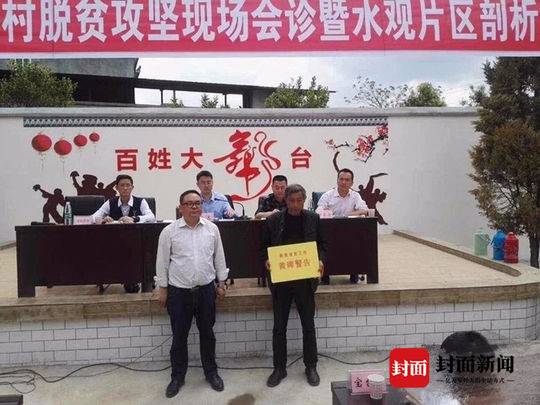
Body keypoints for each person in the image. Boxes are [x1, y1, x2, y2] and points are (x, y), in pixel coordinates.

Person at [155, 189, 228, 398]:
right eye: (189, 203)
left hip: (206, 290)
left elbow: (219, 257)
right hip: (179, 292)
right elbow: (162, 262)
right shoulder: (169, 231)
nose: (194, 207)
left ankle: (211, 373)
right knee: (179, 336)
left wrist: (221, 282)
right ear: (181, 208)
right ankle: (177, 377)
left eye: (197, 203)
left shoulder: (212, 229)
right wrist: (162, 289)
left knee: (207, 334)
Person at [261, 184, 326, 388]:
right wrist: (267, 260)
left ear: (304, 200)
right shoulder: (273, 220)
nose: (296, 205)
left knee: (308, 325)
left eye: (299, 201)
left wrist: (320, 260)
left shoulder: (313, 218)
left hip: (305, 280)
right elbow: (263, 247)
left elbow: (322, 245)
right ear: (285, 201)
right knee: (279, 327)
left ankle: (311, 366)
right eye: (292, 201)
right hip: (281, 281)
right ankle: (279, 368)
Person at [316, 168, 368, 284]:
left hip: (350, 232)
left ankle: (354, 271)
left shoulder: (355, 196)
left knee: (357, 242)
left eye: (347, 180)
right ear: (337, 180)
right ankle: (326, 274)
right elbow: (318, 211)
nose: (344, 182)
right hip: (330, 232)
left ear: (352, 183)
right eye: (341, 179)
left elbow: (364, 210)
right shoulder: (328, 195)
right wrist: (329, 214)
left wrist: (347, 215)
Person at [91, 174, 155, 224]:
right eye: (122, 185)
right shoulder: (110, 202)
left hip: (136, 234)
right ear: (117, 188)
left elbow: (152, 217)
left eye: (128, 185)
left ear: (132, 187)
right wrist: (102, 220)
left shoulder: (141, 202)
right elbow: (92, 218)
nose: (125, 188)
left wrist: (135, 219)